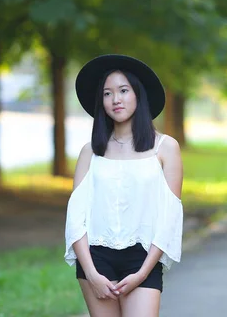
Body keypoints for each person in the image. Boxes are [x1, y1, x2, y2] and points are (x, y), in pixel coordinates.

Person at [64, 54, 184, 317]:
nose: (116, 99)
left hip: (142, 258)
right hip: (95, 260)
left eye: (123, 90)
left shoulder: (165, 148)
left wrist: (143, 273)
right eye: (107, 93)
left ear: (138, 95)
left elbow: (169, 218)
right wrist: (92, 274)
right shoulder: (90, 153)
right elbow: (76, 218)